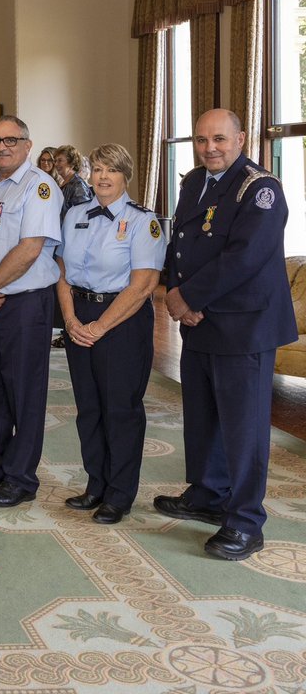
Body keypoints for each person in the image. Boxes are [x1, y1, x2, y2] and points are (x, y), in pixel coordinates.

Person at [159, 109, 296, 560]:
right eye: (201, 139)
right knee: (202, 417)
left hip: (242, 325)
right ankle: (207, 495)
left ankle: (245, 522)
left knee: (244, 427)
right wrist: (175, 292)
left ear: (240, 139)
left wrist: (189, 299)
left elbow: (245, 258)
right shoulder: (194, 181)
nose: (209, 147)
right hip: (200, 321)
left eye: (219, 138)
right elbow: (181, 242)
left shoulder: (259, 190)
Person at [56, 144, 165, 525]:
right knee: (89, 408)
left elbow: (143, 285)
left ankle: (119, 495)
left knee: (120, 409)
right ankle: (96, 484)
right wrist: (70, 321)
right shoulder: (74, 216)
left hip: (122, 320)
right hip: (80, 315)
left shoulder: (142, 221)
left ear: (126, 177)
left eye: (112, 171)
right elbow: (63, 275)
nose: (102, 177)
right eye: (97, 169)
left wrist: (100, 326)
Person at [0, 115, 62, 508]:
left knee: (24, 392)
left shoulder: (40, 187)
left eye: (11, 141)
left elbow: (30, 248)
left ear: (27, 144)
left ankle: (21, 477)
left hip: (23, 305)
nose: (2, 147)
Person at [54, 144, 92, 219]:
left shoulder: (78, 185)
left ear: (71, 163)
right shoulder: (62, 183)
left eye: (60, 160)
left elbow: (82, 216)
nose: (56, 164)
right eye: (55, 161)